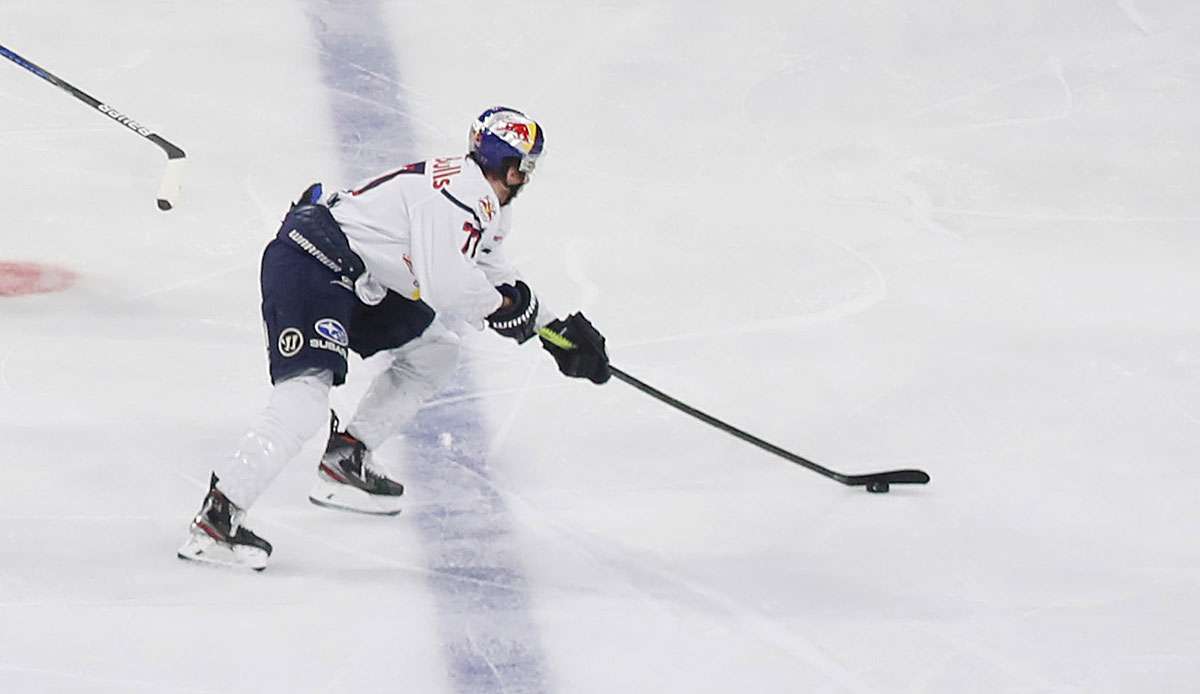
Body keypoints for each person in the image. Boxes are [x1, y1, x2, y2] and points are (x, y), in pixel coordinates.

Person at [177, 107, 610, 571]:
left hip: (360, 273)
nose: (527, 177)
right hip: (312, 261)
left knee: (435, 351)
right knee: (303, 399)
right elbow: (448, 285)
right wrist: (506, 311)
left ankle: (346, 458)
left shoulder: (483, 201)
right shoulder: (466, 196)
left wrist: (554, 330)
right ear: (510, 165)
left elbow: (494, 275)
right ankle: (217, 520)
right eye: (526, 165)